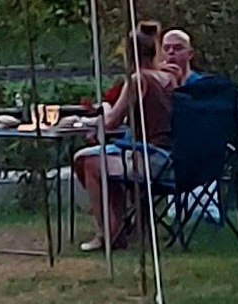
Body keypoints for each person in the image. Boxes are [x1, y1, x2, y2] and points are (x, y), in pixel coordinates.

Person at [75, 28, 192, 251]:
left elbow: (111, 122)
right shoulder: (170, 78)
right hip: (171, 158)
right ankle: (118, 229)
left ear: (129, 54)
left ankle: (105, 234)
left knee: (87, 161)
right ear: (155, 50)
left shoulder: (138, 79)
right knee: (107, 162)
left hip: (149, 159)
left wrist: (103, 110)